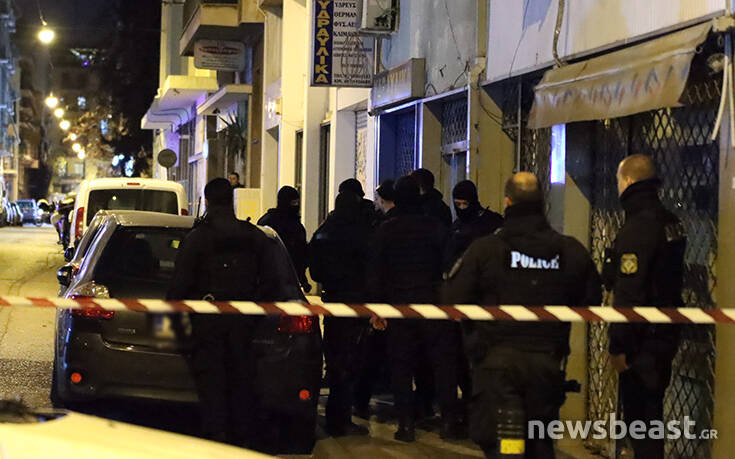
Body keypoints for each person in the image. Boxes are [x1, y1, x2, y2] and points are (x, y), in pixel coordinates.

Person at [443, 172, 602, 458]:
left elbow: (453, 298)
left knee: (503, 446)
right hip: (545, 366)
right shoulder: (568, 250)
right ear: (542, 202)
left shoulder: (485, 250)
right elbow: (591, 299)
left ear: (507, 202)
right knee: (539, 444)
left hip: (495, 365)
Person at [167, 178, 280, 446]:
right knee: (243, 379)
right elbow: (273, 281)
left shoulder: (197, 238)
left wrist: (177, 321)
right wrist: (255, 311)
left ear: (207, 201)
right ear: (232, 200)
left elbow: (180, 284)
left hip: (207, 322)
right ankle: (242, 437)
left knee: (212, 382)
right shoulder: (254, 236)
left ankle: (216, 436)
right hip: (244, 321)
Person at [603, 155, 684, 459]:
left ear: (627, 181)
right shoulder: (670, 221)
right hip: (665, 332)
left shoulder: (639, 227)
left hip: (642, 341)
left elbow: (630, 293)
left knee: (642, 420)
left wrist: (619, 345)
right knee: (651, 415)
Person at [368, 175, 459, 442]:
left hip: (399, 306)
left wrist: (377, 309)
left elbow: (375, 272)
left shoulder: (386, 230)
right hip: (432, 304)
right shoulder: (435, 227)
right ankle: (448, 422)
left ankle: (406, 424)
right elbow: (450, 266)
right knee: (442, 365)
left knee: (401, 366)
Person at [309, 192, 372, 437]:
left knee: (335, 360)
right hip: (355, 304)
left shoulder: (323, 232)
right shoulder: (361, 233)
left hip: (333, 303)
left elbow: (315, 271)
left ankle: (334, 416)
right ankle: (340, 419)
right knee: (349, 363)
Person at [258, 186, 310, 292]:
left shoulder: (265, 221)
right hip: (287, 281)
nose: (296, 206)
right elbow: (299, 256)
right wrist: (303, 280)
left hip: (266, 279)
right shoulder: (295, 226)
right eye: (294, 203)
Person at [445, 180, 504, 273]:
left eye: (465, 204)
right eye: (458, 204)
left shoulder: (491, 221)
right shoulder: (456, 225)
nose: (462, 208)